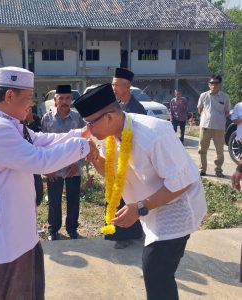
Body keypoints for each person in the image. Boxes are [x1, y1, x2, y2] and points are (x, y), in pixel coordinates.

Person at [0, 67, 98, 299]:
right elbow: (41, 161)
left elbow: (40, 140)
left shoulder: (9, 121)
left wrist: (80, 134)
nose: (31, 104)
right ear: (9, 96)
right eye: (27, 98)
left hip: (19, 230)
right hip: (2, 240)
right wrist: (84, 147)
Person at [73, 83, 207, 300]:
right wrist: (97, 159)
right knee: (157, 272)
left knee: (156, 271)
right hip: (150, 207)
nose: (87, 130)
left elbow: (181, 183)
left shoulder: (154, 133)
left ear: (109, 117)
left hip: (177, 208)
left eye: (90, 123)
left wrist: (140, 208)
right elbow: (112, 174)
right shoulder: (111, 136)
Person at [41, 85, 85, 241]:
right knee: (54, 200)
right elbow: (43, 145)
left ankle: (72, 229)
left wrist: (76, 162)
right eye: (61, 98)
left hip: (74, 167)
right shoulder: (47, 118)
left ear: (71, 100)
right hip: (54, 168)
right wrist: (48, 168)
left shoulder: (78, 119)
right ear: (55, 100)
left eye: (67, 98)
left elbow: (83, 141)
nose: (64, 101)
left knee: (73, 199)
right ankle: (53, 230)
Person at [107, 68, 145, 249]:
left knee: (130, 198)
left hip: (131, 161)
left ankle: (126, 235)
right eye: (112, 84)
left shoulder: (137, 109)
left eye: (116, 84)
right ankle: (123, 234)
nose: (113, 87)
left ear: (127, 86)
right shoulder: (115, 105)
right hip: (116, 160)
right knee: (119, 197)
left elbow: (142, 137)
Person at [197, 74, 230, 177]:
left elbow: (227, 112)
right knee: (202, 149)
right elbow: (200, 109)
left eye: (216, 83)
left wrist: (218, 118)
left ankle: (218, 170)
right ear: (208, 84)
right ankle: (202, 169)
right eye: (212, 83)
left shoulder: (225, 97)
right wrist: (206, 117)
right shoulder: (203, 96)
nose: (214, 85)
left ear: (219, 84)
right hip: (205, 126)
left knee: (219, 151)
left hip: (219, 128)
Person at [25, 104, 44, 206]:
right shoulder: (16, 121)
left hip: (35, 162)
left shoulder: (36, 118)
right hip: (22, 164)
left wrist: (31, 121)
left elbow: (38, 138)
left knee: (37, 195)